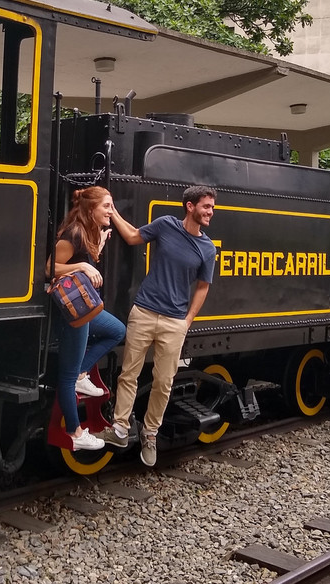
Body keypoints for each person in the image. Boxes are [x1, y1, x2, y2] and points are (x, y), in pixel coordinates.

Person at [96, 185, 218, 466]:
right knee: (129, 374)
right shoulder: (165, 225)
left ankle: (150, 434)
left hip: (175, 322)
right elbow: (132, 236)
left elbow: (203, 287)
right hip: (144, 312)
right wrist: (111, 211)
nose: (211, 212)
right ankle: (121, 428)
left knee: (163, 382)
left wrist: (187, 320)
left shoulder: (207, 248)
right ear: (190, 206)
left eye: (212, 207)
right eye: (206, 206)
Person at [48, 187, 127, 452]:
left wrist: (98, 247)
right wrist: (82, 266)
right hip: (74, 310)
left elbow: (82, 258)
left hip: (84, 308)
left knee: (116, 330)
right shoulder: (73, 233)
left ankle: (84, 371)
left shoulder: (87, 232)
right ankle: (75, 431)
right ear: (90, 209)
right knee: (67, 377)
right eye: (106, 206)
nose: (110, 211)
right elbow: (49, 268)